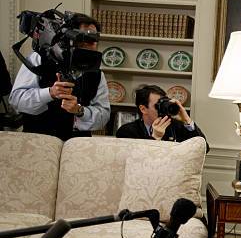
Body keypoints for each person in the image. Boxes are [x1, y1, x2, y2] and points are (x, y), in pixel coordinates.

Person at [9, 13, 110, 141]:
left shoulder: (97, 73)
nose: (90, 44)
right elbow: (16, 100)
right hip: (37, 141)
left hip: (76, 145)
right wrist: (50, 93)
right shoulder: (39, 59)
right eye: (84, 38)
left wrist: (79, 110)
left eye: (94, 39)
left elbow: (104, 116)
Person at [116, 85, 208, 149]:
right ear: (143, 109)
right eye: (158, 105)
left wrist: (187, 120)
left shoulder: (176, 126)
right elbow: (137, 160)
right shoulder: (127, 131)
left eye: (164, 103)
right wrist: (155, 137)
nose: (163, 108)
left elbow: (203, 149)